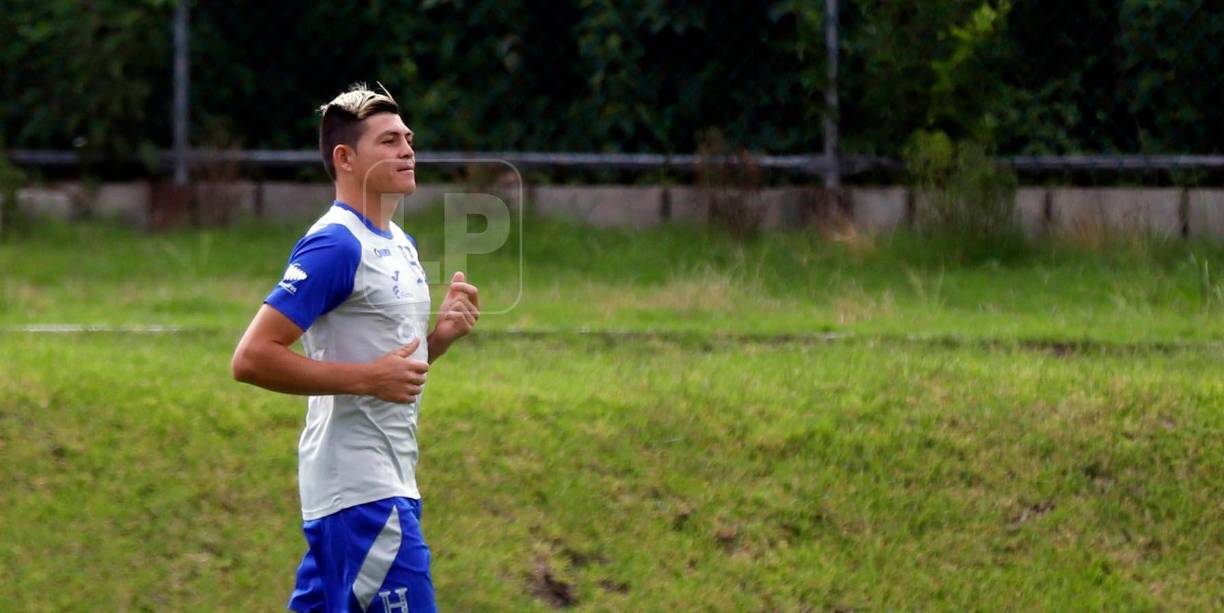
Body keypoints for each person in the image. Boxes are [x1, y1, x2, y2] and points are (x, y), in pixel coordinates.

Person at [232, 83, 480, 612]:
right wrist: (366, 380)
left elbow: (390, 369)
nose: (407, 150)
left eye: (408, 139)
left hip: (381, 485)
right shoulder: (335, 244)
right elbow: (252, 357)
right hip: (363, 494)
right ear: (345, 158)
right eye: (389, 141)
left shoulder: (400, 244)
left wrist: (439, 339)